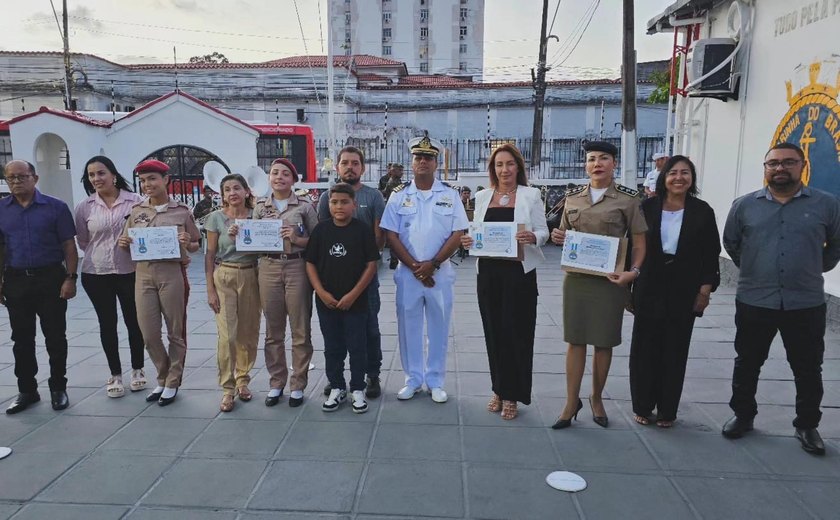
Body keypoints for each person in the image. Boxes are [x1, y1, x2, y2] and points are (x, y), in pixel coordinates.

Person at [721, 143, 840, 456]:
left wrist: (814, 266)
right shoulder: (744, 205)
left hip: (805, 301)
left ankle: (807, 424)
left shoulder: (826, 204)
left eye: (788, 162)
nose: (780, 168)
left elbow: (836, 244)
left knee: (808, 367)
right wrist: (755, 267)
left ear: (802, 165)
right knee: (747, 362)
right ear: (765, 168)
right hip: (755, 299)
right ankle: (743, 415)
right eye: (773, 163)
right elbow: (731, 243)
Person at [549, 141, 647, 429]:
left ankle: (596, 397)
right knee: (575, 339)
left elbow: (639, 242)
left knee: (604, 341)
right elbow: (564, 234)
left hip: (610, 281)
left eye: (604, 158)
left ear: (614, 164)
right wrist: (558, 237)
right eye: (592, 159)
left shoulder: (628, 199)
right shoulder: (573, 198)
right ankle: (571, 401)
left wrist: (634, 272)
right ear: (586, 165)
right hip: (577, 279)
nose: (597, 164)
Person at [629, 155, 721, 428]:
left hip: (684, 287)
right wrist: (627, 285)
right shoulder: (646, 207)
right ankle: (642, 405)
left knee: (675, 349)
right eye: (673, 173)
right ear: (664, 177)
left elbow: (711, 253)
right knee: (644, 349)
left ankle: (667, 410)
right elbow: (632, 246)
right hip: (649, 283)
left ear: (692, 178)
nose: (679, 178)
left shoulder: (702, 211)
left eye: (685, 173)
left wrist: (704, 291)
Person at [460, 144, 548, 420]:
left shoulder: (531, 195)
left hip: (519, 274)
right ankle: (498, 388)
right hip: (488, 274)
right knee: (493, 331)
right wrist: (469, 241)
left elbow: (543, 231)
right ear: (492, 169)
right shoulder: (483, 196)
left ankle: (513, 394)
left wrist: (533, 237)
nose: (505, 170)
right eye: (499, 165)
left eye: (510, 164)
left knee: (517, 333)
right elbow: (477, 232)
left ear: (518, 167)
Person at [380, 136, 469, 403]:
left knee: (439, 327)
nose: (423, 162)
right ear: (412, 162)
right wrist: (416, 268)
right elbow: (390, 234)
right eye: (418, 157)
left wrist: (433, 265)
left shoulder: (450, 195)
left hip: (439, 274)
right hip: (409, 274)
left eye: (428, 158)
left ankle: (435, 380)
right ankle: (413, 379)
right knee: (409, 327)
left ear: (436, 163)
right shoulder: (399, 195)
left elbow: (458, 232)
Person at [118, 159, 201, 407]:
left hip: (171, 272)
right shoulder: (136, 211)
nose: (147, 184)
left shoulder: (181, 211)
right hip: (144, 274)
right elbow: (126, 241)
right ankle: (163, 374)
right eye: (143, 180)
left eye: (152, 179)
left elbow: (196, 244)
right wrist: (123, 243)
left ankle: (172, 381)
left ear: (166, 180)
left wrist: (187, 242)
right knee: (149, 333)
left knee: (175, 330)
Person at [1, 160, 77, 414]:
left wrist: (71, 278)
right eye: (11, 178)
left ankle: (58, 388)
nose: (16, 181)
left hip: (50, 278)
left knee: (55, 336)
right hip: (16, 280)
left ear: (35, 178)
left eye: (22, 176)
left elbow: (69, 245)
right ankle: (27, 390)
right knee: (21, 339)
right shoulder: (2, 209)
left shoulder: (55, 207)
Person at [74, 155, 146, 398]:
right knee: (107, 324)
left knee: (134, 322)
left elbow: (146, 232)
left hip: (130, 272)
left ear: (113, 174)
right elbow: (84, 241)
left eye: (101, 173)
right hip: (97, 273)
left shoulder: (136, 202)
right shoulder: (84, 207)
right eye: (91, 175)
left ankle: (138, 369)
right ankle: (115, 374)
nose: (96, 178)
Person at [317, 146, 386, 399]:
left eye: (355, 163)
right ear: (337, 167)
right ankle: (336, 379)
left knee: (369, 328)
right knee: (335, 330)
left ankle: (372, 374)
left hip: (366, 275)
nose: (350, 167)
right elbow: (323, 235)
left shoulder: (374, 196)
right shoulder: (327, 197)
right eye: (345, 163)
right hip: (334, 277)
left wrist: (364, 261)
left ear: (363, 168)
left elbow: (379, 236)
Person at [307, 183, 379, 413]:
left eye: (344, 202)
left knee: (357, 346)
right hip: (327, 301)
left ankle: (357, 388)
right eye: (334, 202)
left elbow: (371, 264)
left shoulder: (362, 231)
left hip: (356, 301)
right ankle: (337, 386)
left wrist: (353, 294)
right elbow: (310, 263)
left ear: (354, 204)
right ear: (328, 204)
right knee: (332, 346)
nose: (339, 206)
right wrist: (321, 292)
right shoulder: (321, 230)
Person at [254, 158, 319, 407]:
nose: (279, 177)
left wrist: (297, 239)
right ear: (269, 178)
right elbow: (252, 239)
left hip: (296, 266)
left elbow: (318, 240)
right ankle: (276, 382)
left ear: (293, 180)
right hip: (268, 266)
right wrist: (241, 235)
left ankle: (298, 384)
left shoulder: (304, 206)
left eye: (285, 174)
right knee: (273, 330)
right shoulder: (260, 207)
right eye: (274, 173)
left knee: (300, 328)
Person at [204, 174, 261, 412]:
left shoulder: (257, 216)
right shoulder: (216, 218)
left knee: (248, 333)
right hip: (225, 275)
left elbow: (267, 245)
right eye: (227, 190)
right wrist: (210, 289)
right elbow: (209, 254)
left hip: (251, 274)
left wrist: (250, 234)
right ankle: (227, 388)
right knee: (228, 335)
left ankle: (242, 379)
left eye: (237, 188)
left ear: (247, 191)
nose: (232, 193)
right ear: (222, 195)